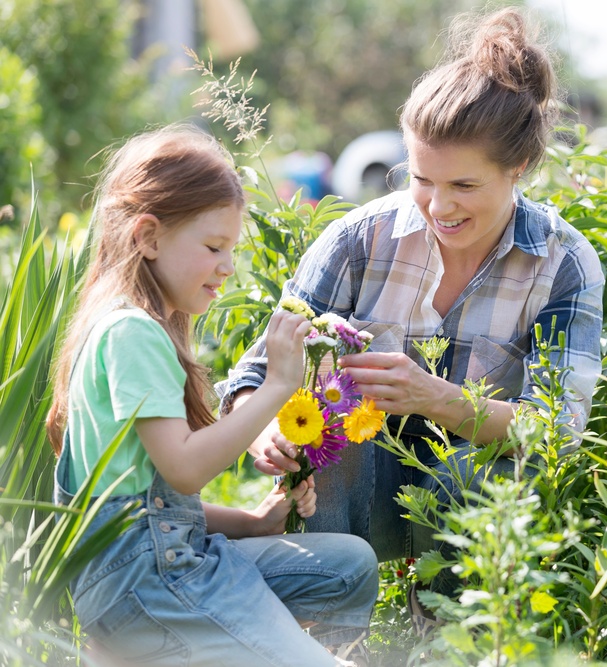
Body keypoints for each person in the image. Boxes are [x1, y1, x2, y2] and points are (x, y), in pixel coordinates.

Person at [221, 5, 603, 624]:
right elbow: (257, 374)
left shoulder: (562, 263)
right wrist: (264, 427)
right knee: (325, 435)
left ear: (520, 168)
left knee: (469, 475)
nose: (438, 206)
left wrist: (434, 397)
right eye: (423, 179)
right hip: (353, 493)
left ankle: (452, 647)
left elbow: (555, 430)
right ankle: (321, 641)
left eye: (465, 187)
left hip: (468, 499)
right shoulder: (359, 239)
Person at [45, 125, 378, 667]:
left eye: (232, 249)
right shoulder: (132, 332)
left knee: (348, 566)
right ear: (149, 237)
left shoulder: (122, 325)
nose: (227, 266)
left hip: (160, 568)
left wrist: (250, 523)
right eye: (213, 246)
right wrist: (277, 387)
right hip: (152, 586)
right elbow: (182, 470)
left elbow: (149, 505)